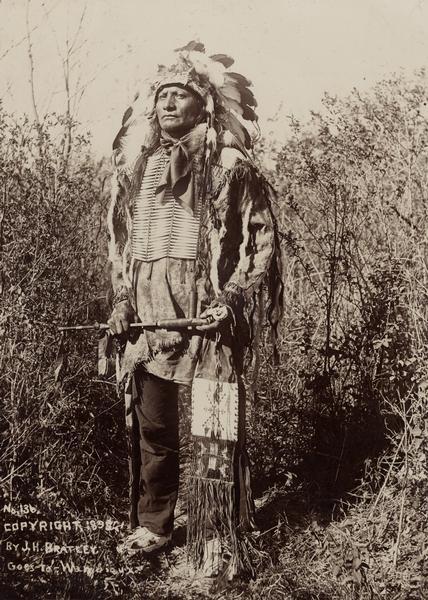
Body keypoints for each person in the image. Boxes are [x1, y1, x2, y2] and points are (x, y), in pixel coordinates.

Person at [107, 41, 282, 579]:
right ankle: (154, 525)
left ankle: (214, 536)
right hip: (149, 319)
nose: (168, 104)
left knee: (215, 430)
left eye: (180, 95)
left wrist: (229, 301)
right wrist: (120, 300)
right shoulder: (133, 167)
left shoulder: (231, 166)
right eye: (162, 96)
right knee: (153, 430)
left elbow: (261, 242)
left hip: (208, 319)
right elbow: (117, 244)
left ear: (203, 104)